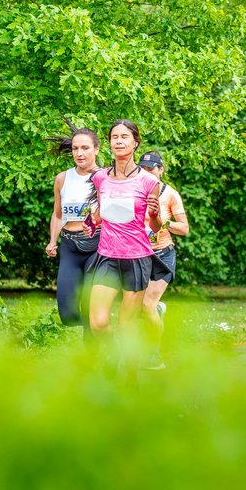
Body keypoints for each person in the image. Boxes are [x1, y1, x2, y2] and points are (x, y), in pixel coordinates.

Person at [85, 120, 165, 344]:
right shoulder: (100, 178)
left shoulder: (149, 181)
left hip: (137, 258)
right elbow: (101, 213)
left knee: (125, 327)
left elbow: (156, 227)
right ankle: (116, 355)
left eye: (124, 136)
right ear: (109, 143)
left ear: (135, 143)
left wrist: (156, 214)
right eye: (114, 137)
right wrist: (92, 222)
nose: (119, 141)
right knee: (98, 323)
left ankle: (128, 372)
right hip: (107, 256)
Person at [45, 127, 102, 327]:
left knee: (89, 307)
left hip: (97, 246)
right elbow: (58, 214)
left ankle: (93, 348)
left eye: (85, 148)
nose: (79, 153)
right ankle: (106, 324)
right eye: (75, 148)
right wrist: (52, 241)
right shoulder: (62, 178)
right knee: (67, 313)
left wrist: (96, 222)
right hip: (69, 245)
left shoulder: (105, 177)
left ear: (96, 149)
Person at [139, 150, 189, 370]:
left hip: (163, 255)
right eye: (143, 169)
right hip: (139, 255)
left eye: (151, 169)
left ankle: (154, 355)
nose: (147, 173)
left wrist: (162, 224)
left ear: (161, 170)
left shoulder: (171, 195)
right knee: (137, 307)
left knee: (147, 305)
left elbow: (185, 229)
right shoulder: (134, 192)